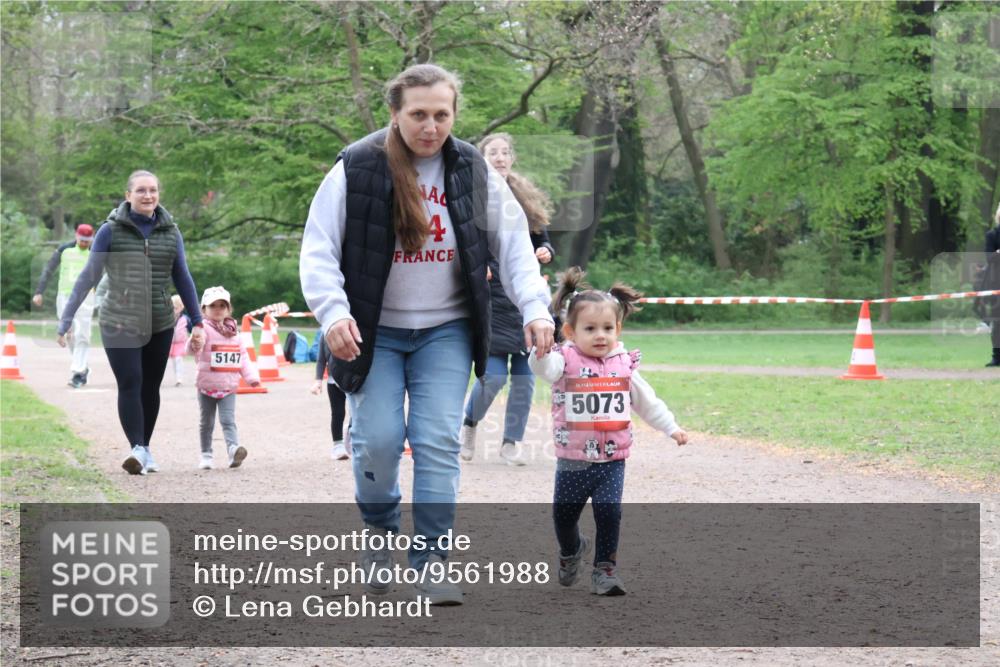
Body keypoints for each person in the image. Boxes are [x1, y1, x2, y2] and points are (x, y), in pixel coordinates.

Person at [300, 63, 554, 605]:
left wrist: (536, 309)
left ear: (454, 114)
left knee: (437, 441)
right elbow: (318, 249)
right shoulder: (358, 166)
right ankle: (379, 528)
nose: (431, 126)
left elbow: (513, 247)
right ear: (396, 114)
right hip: (373, 332)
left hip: (446, 330)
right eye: (418, 114)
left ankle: (432, 559)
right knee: (381, 442)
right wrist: (333, 312)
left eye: (442, 114)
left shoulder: (472, 170)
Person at [528, 267, 689, 596]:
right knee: (564, 515)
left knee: (609, 511)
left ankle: (605, 570)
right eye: (590, 329)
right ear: (571, 332)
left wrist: (671, 427)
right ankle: (572, 550)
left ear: (618, 329)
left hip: (612, 459)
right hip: (573, 458)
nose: (600, 335)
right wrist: (540, 352)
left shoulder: (623, 364)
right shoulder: (564, 360)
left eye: (607, 328)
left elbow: (646, 402)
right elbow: (543, 369)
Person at [57, 170, 206, 475]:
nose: (147, 195)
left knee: (151, 387)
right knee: (131, 381)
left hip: (160, 321)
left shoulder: (171, 231)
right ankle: (136, 447)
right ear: (128, 196)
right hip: (119, 321)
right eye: (140, 190)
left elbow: (183, 277)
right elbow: (89, 276)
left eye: (152, 190)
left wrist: (197, 321)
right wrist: (67, 317)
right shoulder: (110, 231)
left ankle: (145, 449)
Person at [459, 133, 556, 466]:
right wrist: (479, 266)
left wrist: (546, 250)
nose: (500, 158)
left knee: (525, 379)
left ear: (512, 158)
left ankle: (511, 443)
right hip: (490, 298)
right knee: (494, 377)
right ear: (482, 158)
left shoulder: (523, 195)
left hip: (524, 294)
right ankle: (469, 425)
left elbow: (543, 237)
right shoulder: (473, 194)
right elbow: (468, 241)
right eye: (492, 152)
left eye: (505, 152)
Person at [191, 286, 260, 469]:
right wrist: (194, 343)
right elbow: (191, 349)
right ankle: (206, 455)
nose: (218, 309)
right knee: (206, 422)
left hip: (228, 386)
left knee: (228, 420)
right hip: (206, 385)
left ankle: (233, 451)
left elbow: (243, 356)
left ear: (229, 309)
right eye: (213, 305)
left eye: (222, 305)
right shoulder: (202, 329)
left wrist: (251, 377)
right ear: (204, 309)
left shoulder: (234, 333)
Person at [34, 223, 97, 388]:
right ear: (76, 236)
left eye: (87, 240)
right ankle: (82, 368)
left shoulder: (96, 252)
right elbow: (48, 270)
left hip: (86, 297)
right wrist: (39, 291)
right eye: (82, 240)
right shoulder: (64, 250)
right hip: (64, 296)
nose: (84, 243)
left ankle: (77, 372)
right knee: (69, 335)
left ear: (92, 238)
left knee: (83, 334)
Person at [311, 334, 349, 460]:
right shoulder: (325, 334)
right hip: (333, 381)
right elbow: (321, 360)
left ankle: (353, 438)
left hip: (353, 381)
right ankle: (338, 445)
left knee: (357, 413)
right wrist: (318, 381)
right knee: (338, 413)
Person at [985, 203, 1000, 367]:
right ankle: (997, 356)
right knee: (997, 322)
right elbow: (989, 258)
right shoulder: (992, 235)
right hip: (997, 283)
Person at [169, 295, 189, 386]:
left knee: (178, 359)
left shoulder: (185, 319)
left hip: (181, 343)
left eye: (176, 308)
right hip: (171, 344)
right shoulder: (168, 319)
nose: (174, 310)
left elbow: (191, 328)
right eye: (172, 308)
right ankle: (176, 376)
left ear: (181, 307)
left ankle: (179, 378)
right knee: (174, 361)